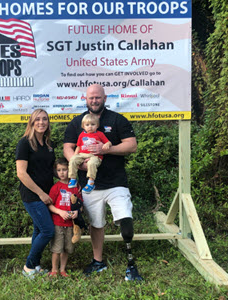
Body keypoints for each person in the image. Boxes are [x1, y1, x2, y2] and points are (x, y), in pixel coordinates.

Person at [63, 84, 143, 281]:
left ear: (105, 98)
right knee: (96, 224)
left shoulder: (117, 119)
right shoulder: (77, 122)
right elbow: (67, 147)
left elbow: (131, 145)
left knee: (125, 220)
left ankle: (131, 265)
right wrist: (80, 164)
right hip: (91, 185)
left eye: (98, 97)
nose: (94, 101)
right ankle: (98, 262)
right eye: (91, 98)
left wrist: (106, 149)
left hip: (116, 183)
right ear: (86, 99)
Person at [16, 109, 55, 279]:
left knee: (39, 229)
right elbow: (21, 173)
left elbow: (49, 170)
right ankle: (28, 266)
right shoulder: (25, 143)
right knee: (48, 231)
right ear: (31, 122)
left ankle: (36, 265)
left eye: (44, 119)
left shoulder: (47, 144)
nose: (41, 122)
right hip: (33, 195)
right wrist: (41, 194)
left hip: (46, 193)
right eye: (37, 119)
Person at [47, 158, 82, 277]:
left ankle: (62, 269)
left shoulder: (75, 186)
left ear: (70, 170)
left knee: (67, 248)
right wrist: (60, 212)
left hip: (71, 225)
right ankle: (54, 270)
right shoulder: (56, 187)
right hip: (58, 223)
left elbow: (80, 203)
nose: (62, 172)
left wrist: (77, 211)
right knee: (57, 249)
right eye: (59, 170)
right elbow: (49, 205)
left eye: (65, 170)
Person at [68, 114, 112, 193]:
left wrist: (106, 145)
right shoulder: (82, 135)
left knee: (91, 163)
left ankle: (91, 183)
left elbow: (108, 142)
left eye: (93, 124)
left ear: (97, 125)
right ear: (83, 126)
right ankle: (73, 178)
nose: (90, 127)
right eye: (87, 125)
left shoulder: (100, 134)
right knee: (73, 160)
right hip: (82, 154)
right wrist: (75, 156)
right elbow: (78, 146)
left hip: (95, 156)